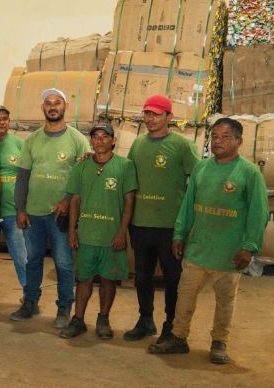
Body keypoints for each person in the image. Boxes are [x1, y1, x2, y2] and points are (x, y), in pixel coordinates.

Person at [149, 118, 267, 364]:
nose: (218, 141)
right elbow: (188, 205)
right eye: (214, 136)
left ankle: (219, 342)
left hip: (229, 253)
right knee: (185, 295)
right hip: (198, 249)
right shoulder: (201, 169)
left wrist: (249, 247)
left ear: (239, 141)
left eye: (225, 137)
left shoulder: (249, 173)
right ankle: (178, 337)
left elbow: (259, 213)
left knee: (225, 300)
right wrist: (179, 234)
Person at [10, 88, 90, 328]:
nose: (53, 107)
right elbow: (22, 178)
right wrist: (20, 209)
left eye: (57, 103)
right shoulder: (32, 140)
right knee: (33, 260)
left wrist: (67, 200)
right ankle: (30, 302)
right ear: (43, 108)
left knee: (64, 264)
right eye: (48, 103)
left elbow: (83, 178)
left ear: (66, 107)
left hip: (61, 216)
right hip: (33, 214)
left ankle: (64, 308)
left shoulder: (77, 140)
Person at [123, 95, 200, 343]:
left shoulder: (182, 145)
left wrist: (188, 222)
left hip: (170, 227)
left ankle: (171, 325)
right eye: (147, 114)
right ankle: (145, 320)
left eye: (156, 114)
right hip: (141, 224)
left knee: (172, 279)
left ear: (169, 117)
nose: (150, 119)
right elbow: (126, 177)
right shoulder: (138, 144)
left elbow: (198, 179)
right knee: (142, 276)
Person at [59, 123, 137, 339]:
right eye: (95, 136)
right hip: (87, 235)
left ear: (113, 141)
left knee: (108, 280)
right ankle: (78, 320)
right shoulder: (81, 167)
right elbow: (75, 200)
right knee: (83, 280)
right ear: (91, 141)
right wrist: (72, 231)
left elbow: (129, 201)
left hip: (111, 237)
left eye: (105, 136)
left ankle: (103, 319)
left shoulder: (125, 166)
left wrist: (121, 233)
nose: (99, 140)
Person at [0, 105, 28, 302]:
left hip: (13, 213)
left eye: (5, 118)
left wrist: (24, 208)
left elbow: (27, 176)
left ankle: (29, 295)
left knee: (21, 256)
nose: (1, 122)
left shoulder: (19, 145)